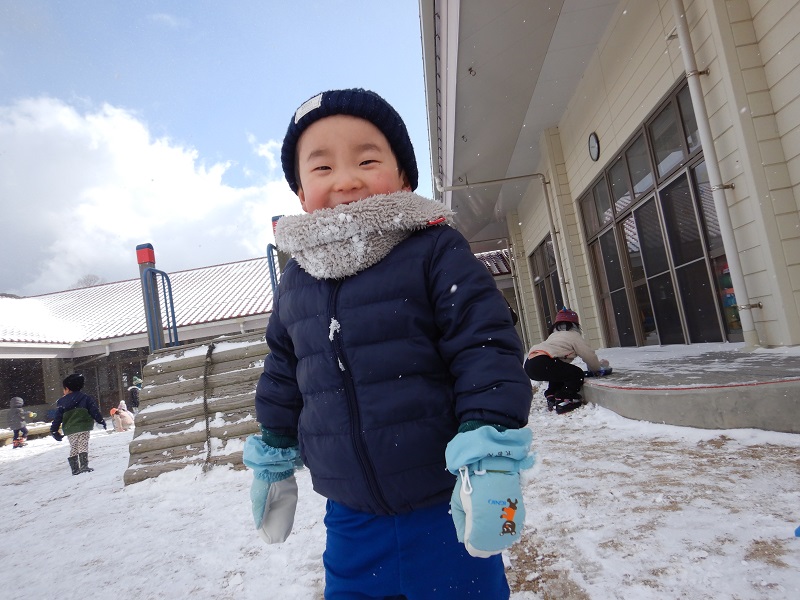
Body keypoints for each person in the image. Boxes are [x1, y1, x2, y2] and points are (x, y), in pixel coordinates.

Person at [244, 88, 534, 599]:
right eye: (322, 167)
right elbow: (284, 371)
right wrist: (274, 451)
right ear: (300, 192)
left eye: (367, 159)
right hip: (351, 519)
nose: (347, 179)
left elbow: (483, 345)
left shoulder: (433, 248)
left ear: (403, 176)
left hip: (442, 507)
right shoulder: (297, 279)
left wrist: (489, 450)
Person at [523, 307, 610, 414]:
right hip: (543, 361)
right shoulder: (573, 335)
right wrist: (596, 369)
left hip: (529, 364)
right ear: (575, 325)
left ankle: (552, 394)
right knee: (576, 374)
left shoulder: (553, 336)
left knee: (559, 373)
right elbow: (589, 355)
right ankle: (564, 398)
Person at [50, 373, 106, 475]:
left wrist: (54, 430)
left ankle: (75, 469)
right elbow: (94, 411)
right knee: (83, 445)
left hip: (70, 429)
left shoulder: (61, 402)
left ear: (67, 389)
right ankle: (84, 466)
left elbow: (58, 418)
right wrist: (100, 421)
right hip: (83, 426)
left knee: (74, 447)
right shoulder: (85, 398)